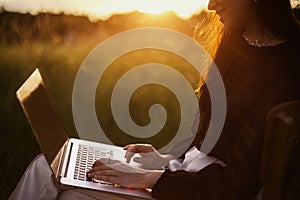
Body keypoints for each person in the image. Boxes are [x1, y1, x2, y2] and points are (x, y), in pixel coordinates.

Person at [9, 0, 300, 199]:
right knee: (49, 167)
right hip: (182, 176)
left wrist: (151, 179)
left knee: (62, 184)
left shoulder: (285, 70)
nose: (211, 5)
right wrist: (164, 160)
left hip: (195, 191)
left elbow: (237, 187)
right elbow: (210, 145)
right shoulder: (237, 42)